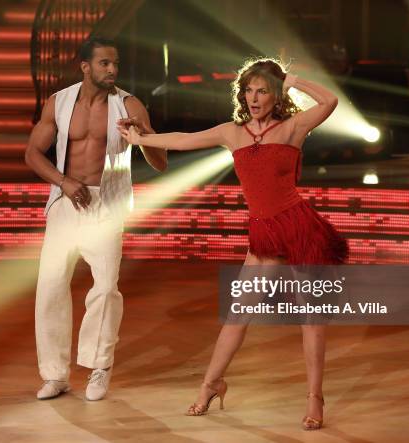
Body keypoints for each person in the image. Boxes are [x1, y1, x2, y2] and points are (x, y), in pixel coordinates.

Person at [118, 57, 348, 430]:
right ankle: (211, 384)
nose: (254, 98)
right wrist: (140, 138)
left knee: (311, 318)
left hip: (299, 229)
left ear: (276, 96)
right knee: (237, 314)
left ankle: (314, 397)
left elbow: (329, 102)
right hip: (263, 234)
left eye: (263, 91)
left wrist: (291, 80)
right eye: (249, 90)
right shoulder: (233, 132)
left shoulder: (292, 127)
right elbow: (181, 141)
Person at [25, 36, 167, 401]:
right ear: (85, 66)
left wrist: (143, 137)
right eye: (104, 63)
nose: (112, 70)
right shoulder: (58, 102)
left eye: (115, 63)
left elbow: (160, 161)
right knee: (51, 287)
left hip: (107, 204)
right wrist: (64, 181)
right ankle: (55, 375)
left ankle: (99, 368)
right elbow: (32, 154)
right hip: (65, 202)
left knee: (105, 288)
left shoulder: (129, 104)